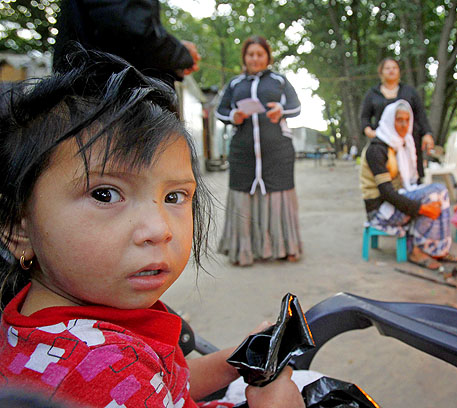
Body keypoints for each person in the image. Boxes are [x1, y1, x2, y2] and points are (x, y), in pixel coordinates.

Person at [0, 50, 305, 408]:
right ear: (18, 227)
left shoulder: (72, 321)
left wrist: (236, 360)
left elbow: (168, 384)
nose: (159, 229)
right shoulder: (96, 369)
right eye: (105, 193)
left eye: (175, 196)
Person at [215, 36, 302, 266]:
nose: (255, 58)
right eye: (250, 54)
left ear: (267, 57)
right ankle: (242, 250)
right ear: (244, 57)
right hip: (243, 153)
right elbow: (220, 110)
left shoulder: (279, 81)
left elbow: (296, 106)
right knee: (243, 196)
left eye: (259, 54)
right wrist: (234, 115)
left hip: (277, 152)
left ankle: (287, 247)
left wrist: (281, 110)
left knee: (279, 197)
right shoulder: (235, 84)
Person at [360, 100, 457, 270]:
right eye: (399, 120)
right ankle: (418, 250)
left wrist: (420, 203)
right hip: (380, 210)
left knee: (439, 193)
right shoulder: (377, 149)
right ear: (390, 120)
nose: (404, 125)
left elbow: (412, 182)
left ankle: (437, 249)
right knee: (436, 192)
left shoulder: (402, 145)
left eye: (407, 120)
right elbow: (387, 193)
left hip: (396, 200)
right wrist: (420, 208)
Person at [52, 0, 200, 87]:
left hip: (99, 97)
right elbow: (131, 29)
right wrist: (182, 55)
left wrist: (174, 62)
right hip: (105, 102)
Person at [360, 58, 435, 182]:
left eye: (394, 68)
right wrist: (370, 132)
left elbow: (421, 115)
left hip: (409, 142)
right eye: (387, 68)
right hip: (384, 144)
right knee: (388, 179)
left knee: (413, 178)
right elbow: (365, 117)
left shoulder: (409, 91)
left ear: (399, 71)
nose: (391, 71)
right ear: (381, 72)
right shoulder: (372, 94)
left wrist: (427, 134)